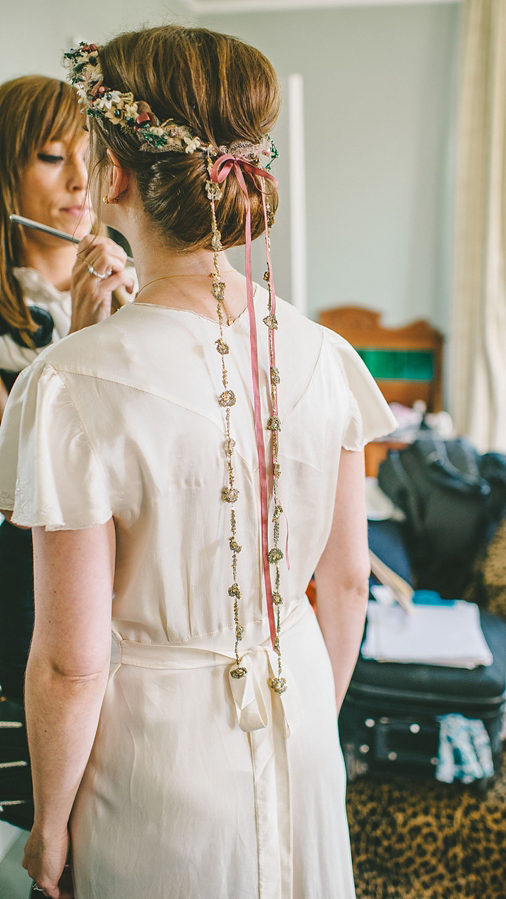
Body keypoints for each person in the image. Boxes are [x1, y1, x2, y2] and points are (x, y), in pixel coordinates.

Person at [0, 27, 396, 899]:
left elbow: (72, 662)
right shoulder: (327, 355)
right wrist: (306, 731)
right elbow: (348, 586)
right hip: (304, 739)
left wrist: (52, 823)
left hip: (151, 767)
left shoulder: (69, 382)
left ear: (118, 175)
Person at [0, 75, 134, 706]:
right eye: (54, 158)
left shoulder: (134, 281)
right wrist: (82, 340)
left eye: (91, 157)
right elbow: (22, 487)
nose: (83, 182)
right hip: (30, 604)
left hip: (129, 597)